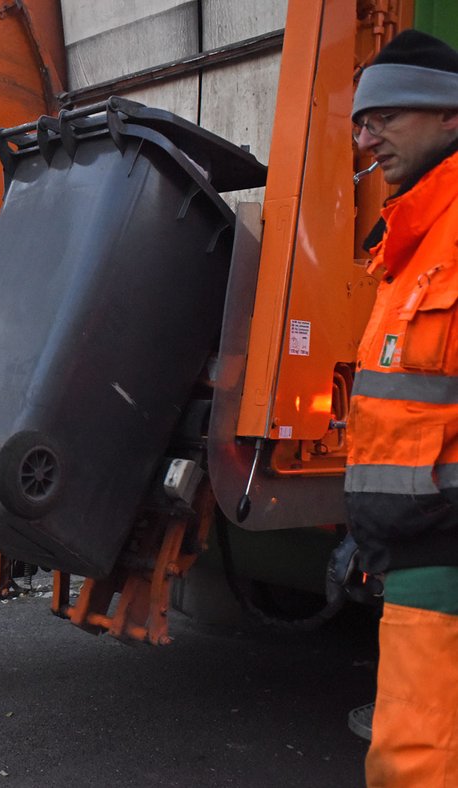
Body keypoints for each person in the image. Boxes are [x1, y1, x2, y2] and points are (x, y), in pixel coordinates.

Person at [346, 29, 458, 787]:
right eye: (362, 118)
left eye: (385, 114)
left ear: (450, 115)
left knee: (418, 763)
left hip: (445, 550)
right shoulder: (408, 244)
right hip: (418, 552)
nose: (365, 135)